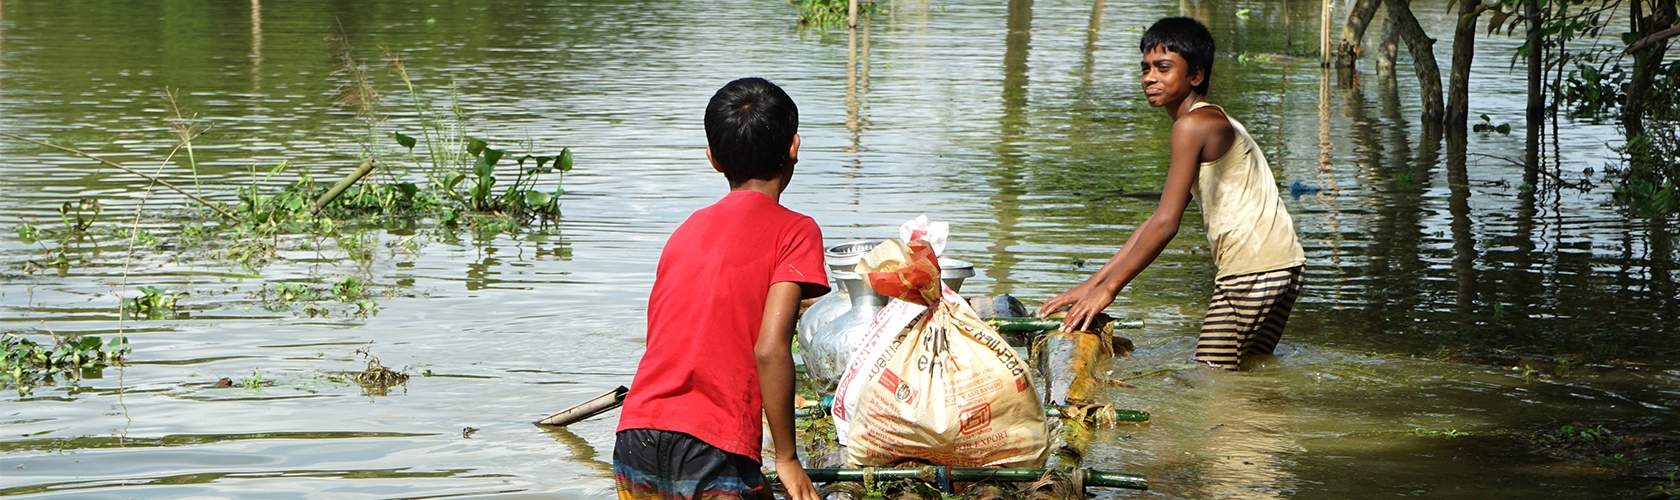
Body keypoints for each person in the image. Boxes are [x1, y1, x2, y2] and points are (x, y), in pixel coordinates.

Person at [1036, 17, 1305, 371]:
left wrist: (1109, 290)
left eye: (1163, 68)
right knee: (1250, 372)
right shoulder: (1210, 120)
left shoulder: (1191, 125)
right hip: (1284, 266)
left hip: (1250, 272)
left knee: (1211, 377)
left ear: (1195, 75)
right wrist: (1092, 283)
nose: (1150, 77)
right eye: (1145, 68)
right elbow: (1157, 218)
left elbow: (1167, 224)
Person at [614, 77, 828, 500]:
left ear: (713, 158)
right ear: (794, 147)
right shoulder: (796, 231)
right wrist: (786, 457)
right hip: (712, 444)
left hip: (635, 435)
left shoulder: (686, 230)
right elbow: (769, 349)